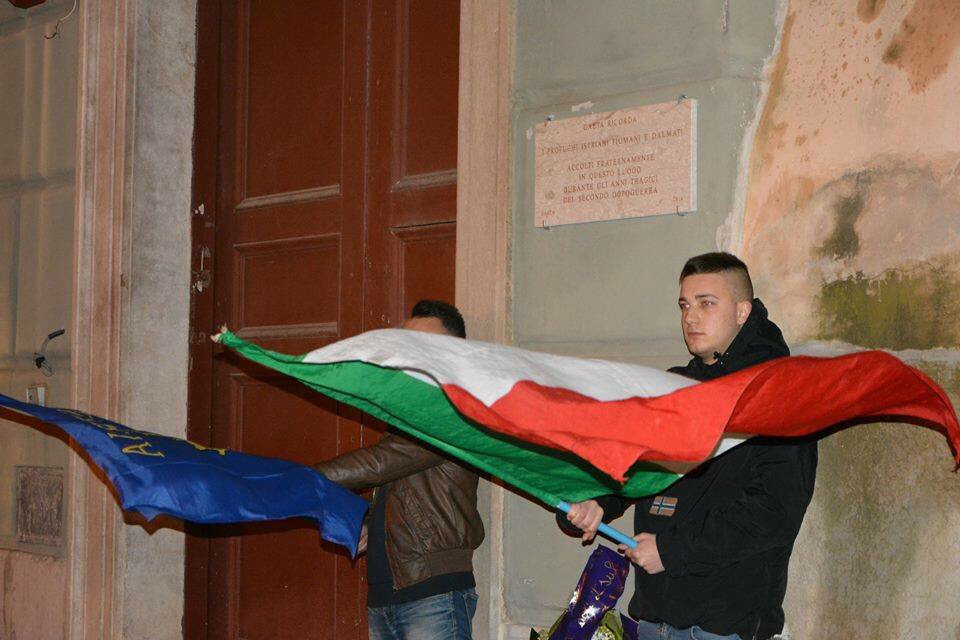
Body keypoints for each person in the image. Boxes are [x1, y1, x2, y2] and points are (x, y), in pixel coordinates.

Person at [562, 252, 818, 640]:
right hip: (654, 621)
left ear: (742, 311)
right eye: (684, 305)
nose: (691, 318)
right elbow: (636, 466)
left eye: (706, 303)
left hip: (722, 627)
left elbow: (774, 512)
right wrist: (598, 502)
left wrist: (671, 551)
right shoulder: (676, 387)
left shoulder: (778, 394)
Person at [314, 300, 484, 640]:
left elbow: (381, 462)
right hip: (387, 594)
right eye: (407, 343)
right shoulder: (412, 410)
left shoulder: (452, 411)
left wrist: (301, 479)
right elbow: (403, 488)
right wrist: (371, 522)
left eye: (423, 345)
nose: (411, 354)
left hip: (432, 594)